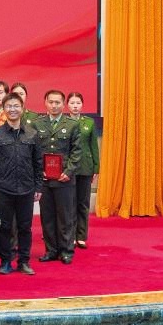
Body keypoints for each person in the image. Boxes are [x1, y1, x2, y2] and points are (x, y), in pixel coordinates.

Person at [0, 93, 43, 276]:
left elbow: (38, 163)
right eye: (9, 106)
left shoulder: (32, 134)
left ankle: (24, 261)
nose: (12, 109)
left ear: (22, 108)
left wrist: (38, 187)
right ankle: (5, 261)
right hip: (3, 189)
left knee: (25, 227)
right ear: (4, 109)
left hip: (27, 188)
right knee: (4, 227)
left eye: (16, 106)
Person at [33, 90, 83, 265]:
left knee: (65, 217)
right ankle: (51, 250)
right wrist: (39, 171)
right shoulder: (37, 124)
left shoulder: (72, 125)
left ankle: (66, 250)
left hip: (64, 179)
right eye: (51, 102)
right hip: (45, 179)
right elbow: (34, 151)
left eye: (57, 102)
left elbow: (77, 152)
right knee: (47, 217)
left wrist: (68, 172)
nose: (54, 106)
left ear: (63, 104)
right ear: (45, 103)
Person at [66, 91, 100, 250]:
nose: (75, 106)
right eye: (72, 103)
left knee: (83, 203)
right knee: (70, 203)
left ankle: (81, 236)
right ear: (67, 105)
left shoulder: (89, 122)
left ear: (82, 105)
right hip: (69, 168)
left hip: (85, 167)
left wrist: (96, 167)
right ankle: (70, 235)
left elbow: (94, 146)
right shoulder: (64, 122)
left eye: (78, 103)